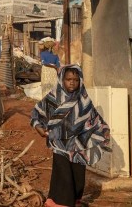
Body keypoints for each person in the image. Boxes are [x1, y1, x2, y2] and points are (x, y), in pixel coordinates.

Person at [31, 65, 111, 207]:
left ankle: (73, 200)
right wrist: (38, 127)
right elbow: (37, 112)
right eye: (68, 79)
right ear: (62, 80)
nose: (72, 82)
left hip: (79, 145)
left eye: (75, 79)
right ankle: (59, 202)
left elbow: (94, 120)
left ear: (80, 80)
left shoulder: (84, 100)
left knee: (78, 177)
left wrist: (102, 132)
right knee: (63, 175)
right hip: (59, 143)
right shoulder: (53, 97)